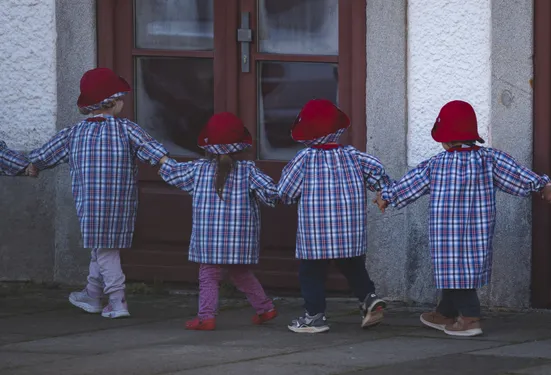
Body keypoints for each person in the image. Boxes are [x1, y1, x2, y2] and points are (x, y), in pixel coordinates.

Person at [375, 100, 550, 337]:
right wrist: (543, 186)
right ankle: (445, 312)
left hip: (445, 233)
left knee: (454, 271)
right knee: (462, 270)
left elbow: (408, 186)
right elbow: (518, 176)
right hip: (479, 231)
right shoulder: (491, 159)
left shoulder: (435, 165)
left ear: (445, 139)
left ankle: (469, 319)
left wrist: (386, 196)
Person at [29, 68, 169, 319]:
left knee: (105, 250)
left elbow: (43, 156)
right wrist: (169, 167)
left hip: (91, 206)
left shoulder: (73, 133)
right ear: (113, 102)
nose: (123, 103)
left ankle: (117, 301)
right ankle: (94, 294)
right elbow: (155, 152)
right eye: (121, 98)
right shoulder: (127, 129)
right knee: (103, 248)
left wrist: (30, 166)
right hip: (120, 205)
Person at [279, 99, 390, 333]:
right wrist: (383, 193)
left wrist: (288, 199)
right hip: (349, 230)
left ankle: (314, 317)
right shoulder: (354, 156)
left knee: (311, 273)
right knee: (353, 266)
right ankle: (369, 299)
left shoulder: (304, 159)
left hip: (315, 232)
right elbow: (379, 176)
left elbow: (286, 192)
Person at [159, 112, 278, 330]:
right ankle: (265, 308)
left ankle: (206, 317)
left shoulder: (198, 169)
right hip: (238, 239)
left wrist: (161, 158)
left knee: (208, 275)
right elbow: (271, 194)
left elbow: (172, 174)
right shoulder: (249, 171)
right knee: (240, 273)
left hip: (208, 239)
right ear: (242, 145)